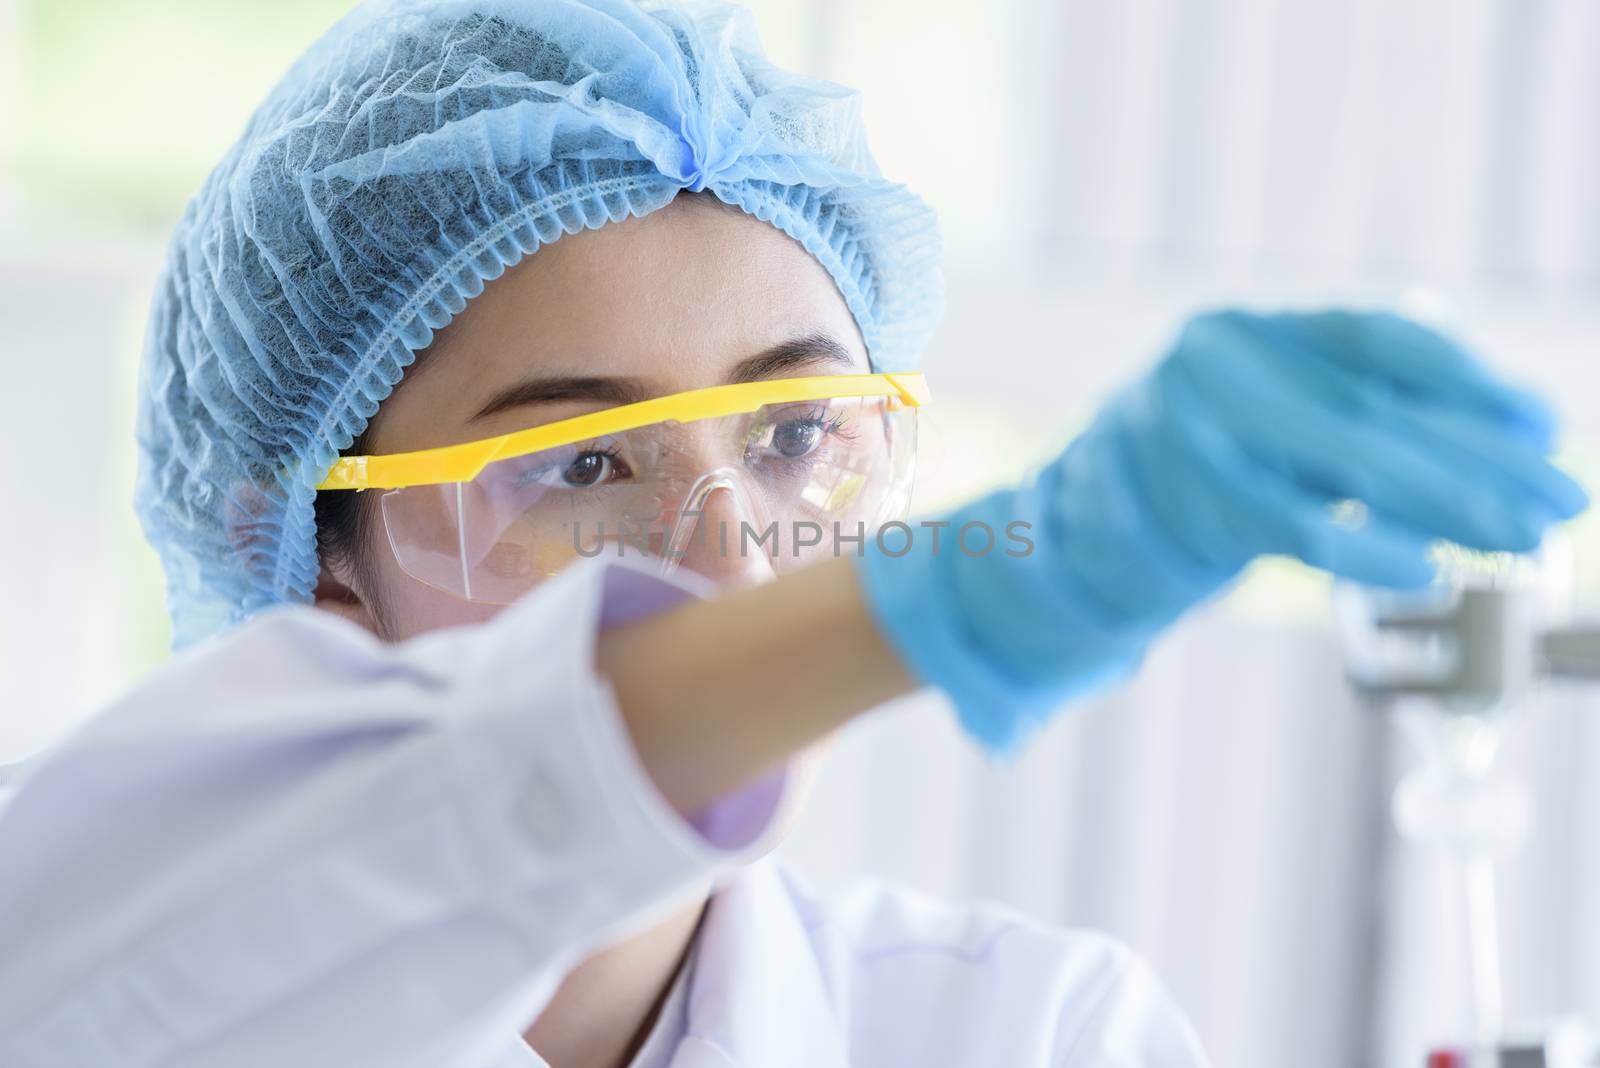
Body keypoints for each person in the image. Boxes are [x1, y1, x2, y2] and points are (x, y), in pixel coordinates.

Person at [0, 2, 1586, 1066]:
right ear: (311, 557)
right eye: (584, 466)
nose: (727, 562)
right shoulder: (103, 946)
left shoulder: (1031, 1035)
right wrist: (999, 582)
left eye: (792, 436)